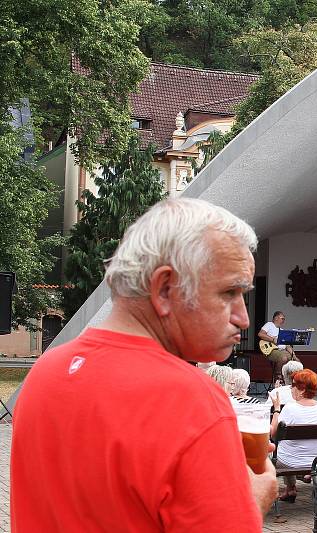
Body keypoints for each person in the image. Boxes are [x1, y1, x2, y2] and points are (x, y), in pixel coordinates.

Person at [10, 198, 276, 531]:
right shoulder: (191, 401)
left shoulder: (47, 370)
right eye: (229, 293)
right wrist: (251, 503)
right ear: (164, 289)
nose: (244, 318)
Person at [270, 369, 317, 502]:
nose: (291, 389)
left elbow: (274, 436)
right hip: (316, 461)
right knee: (288, 448)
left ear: (302, 390)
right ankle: (294, 486)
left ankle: (290, 487)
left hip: (289, 462)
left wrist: (276, 409)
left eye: (294, 385)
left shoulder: (290, 408)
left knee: (273, 452)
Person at [258, 311, 299, 376]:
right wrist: (273, 339)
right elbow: (260, 334)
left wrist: (294, 356)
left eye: (284, 319)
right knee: (284, 358)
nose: (283, 321)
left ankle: (288, 377)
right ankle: (278, 375)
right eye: (282, 318)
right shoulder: (269, 324)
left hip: (282, 350)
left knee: (295, 361)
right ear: (276, 318)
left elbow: (287, 346)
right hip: (271, 350)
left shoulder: (282, 331)